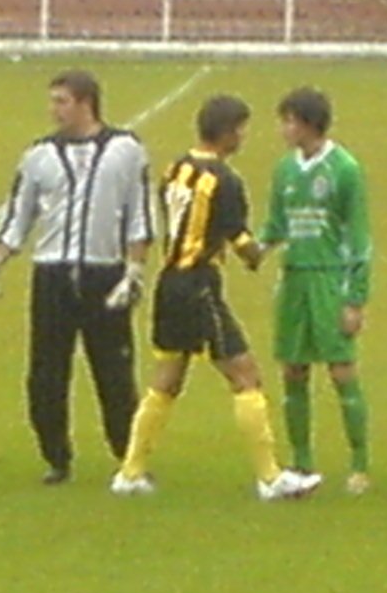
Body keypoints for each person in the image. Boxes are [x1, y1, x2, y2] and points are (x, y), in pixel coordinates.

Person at [112, 94, 312, 501]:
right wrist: (272, 243)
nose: (243, 137)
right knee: (245, 376)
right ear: (227, 132)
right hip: (199, 285)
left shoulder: (175, 169)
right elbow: (243, 246)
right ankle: (270, 478)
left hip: (169, 282)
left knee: (167, 379)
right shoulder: (225, 179)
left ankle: (130, 472)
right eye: (241, 130)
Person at [0, 69, 152, 486]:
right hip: (51, 273)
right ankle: (56, 457)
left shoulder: (126, 149)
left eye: (61, 101)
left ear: (86, 103)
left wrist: (134, 270)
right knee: (46, 372)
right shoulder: (38, 155)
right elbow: (19, 216)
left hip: (103, 271)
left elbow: (138, 213)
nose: (53, 110)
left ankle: (127, 456)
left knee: (114, 371)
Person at [261, 87, 372, 495]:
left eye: (289, 121)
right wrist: (253, 247)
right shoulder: (284, 170)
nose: (283, 129)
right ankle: (302, 461)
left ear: (309, 124)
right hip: (293, 279)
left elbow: (359, 237)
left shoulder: (344, 169)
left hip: (329, 279)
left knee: (341, 370)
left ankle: (359, 464)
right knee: (293, 369)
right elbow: (276, 224)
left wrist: (355, 298)